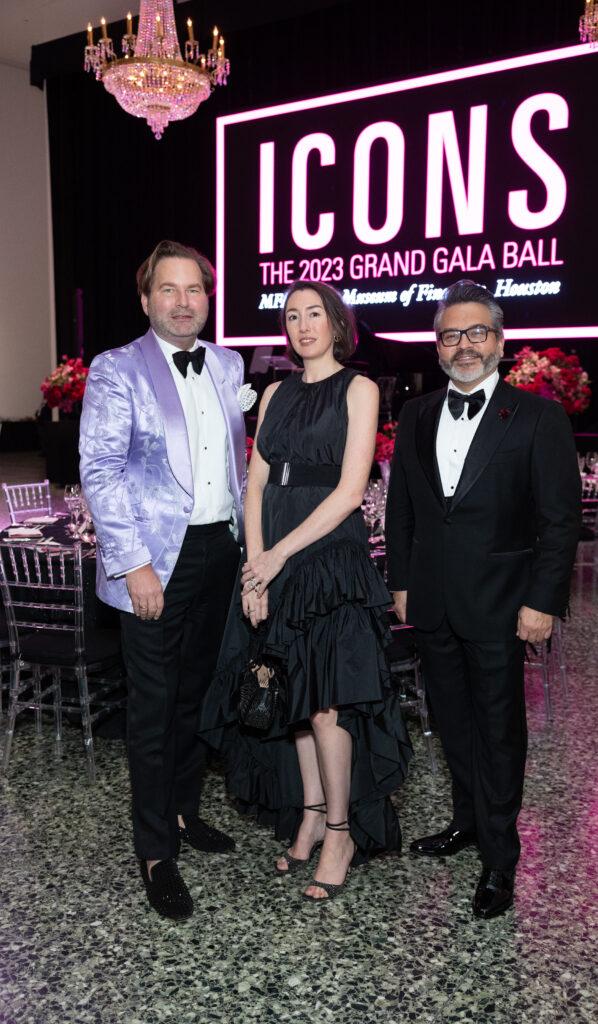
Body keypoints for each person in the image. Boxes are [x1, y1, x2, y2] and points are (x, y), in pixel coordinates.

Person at [200, 280, 412, 901]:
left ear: (337, 322)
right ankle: (312, 814)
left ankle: (341, 830)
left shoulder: (361, 388)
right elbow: (257, 485)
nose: (302, 325)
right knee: (289, 691)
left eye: (314, 313)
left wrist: (276, 558)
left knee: (327, 704)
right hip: (274, 554)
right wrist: (255, 566)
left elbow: (350, 492)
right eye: (291, 316)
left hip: (328, 557)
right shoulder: (274, 393)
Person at [385, 279, 582, 919]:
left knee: (500, 731)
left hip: (503, 604)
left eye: (476, 333)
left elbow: (559, 520)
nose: (463, 345)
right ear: (437, 347)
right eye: (451, 335)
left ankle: (500, 857)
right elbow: (405, 510)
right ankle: (467, 822)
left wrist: (542, 601)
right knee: (455, 724)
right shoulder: (414, 414)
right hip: (434, 603)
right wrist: (402, 586)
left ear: (498, 341)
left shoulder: (537, 417)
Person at [79, 240, 247, 921]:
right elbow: (101, 469)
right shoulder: (116, 369)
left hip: (219, 556)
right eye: (169, 290)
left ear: (208, 299)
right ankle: (154, 851)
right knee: (152, 710)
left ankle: (180, 814)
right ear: (147, 300)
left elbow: (237, 468)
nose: (183, 302)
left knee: (194, 699)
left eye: (195, 290)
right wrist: (133, 563)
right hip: (152, 562)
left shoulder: (229, 363)